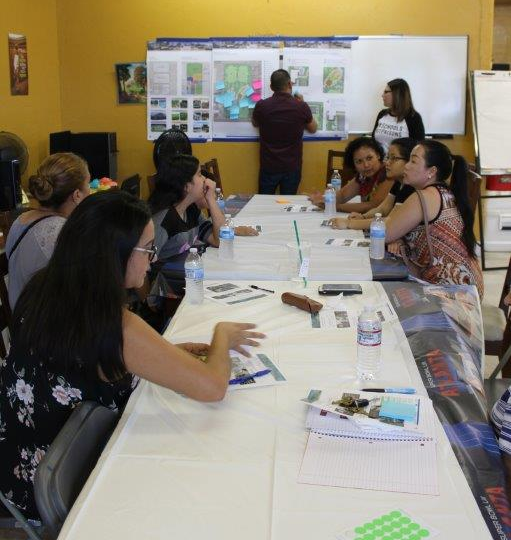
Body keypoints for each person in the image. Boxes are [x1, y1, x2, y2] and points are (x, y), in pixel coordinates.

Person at [0, 190, 265, 520]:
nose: (153, 258)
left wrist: (165, 355)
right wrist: (222, 336)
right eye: (148, 249)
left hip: (19, 460)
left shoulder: (46, 287)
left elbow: (85, 363)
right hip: (60, 481)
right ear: (114, 253)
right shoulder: (112, 323)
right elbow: (212, 388)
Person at [384, 140, 483, 296]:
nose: (407, 166)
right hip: (469, 287)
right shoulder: (444, 193)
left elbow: (384, 233)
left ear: (431, 171)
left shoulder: (423, 197)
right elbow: (394, 229)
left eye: (413, 161)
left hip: (453, 294)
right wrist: (399, 237)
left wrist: (394, 235)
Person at [6, 152, 90, 309]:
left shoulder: (20, 220)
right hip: (45, 328)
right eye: (89, 186)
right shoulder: (62, 233)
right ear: (77, 195)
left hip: (21, 321)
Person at [252, 69, 317, 195]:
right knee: (288, 205)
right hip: (292, 167)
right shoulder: (301, 106)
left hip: (268, 166)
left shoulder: (262, 106)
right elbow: (313, 129)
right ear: (289, 84)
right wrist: (302, 102)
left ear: (271, 87)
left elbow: (255, 123)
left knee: (263, 204)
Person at [329, 138, 416, 230]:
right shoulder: (398, 183)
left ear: (409, 161)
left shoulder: (409, 187)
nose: (387, 162)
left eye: (394, 158)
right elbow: (382, 209)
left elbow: (391, 221)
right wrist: (363, 217)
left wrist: (349, 223)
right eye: (388, 157)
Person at [148, 154, 224, 260]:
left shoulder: (191, 209)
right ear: (186, 186)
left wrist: (211, 199)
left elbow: (220, 240)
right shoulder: (163, 222)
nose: (205, 179)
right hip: (167, 275)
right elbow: (145, 263)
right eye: (199, 174)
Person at [309, 137, 388, 214]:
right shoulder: (362, 176)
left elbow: (373, 206)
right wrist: (323, 199)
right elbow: (343, 195)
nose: (366, 165)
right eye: (359, 161)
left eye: (369, 158)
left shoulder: (388, 172)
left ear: (378, 155)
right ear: (353, 164)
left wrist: (334, 206)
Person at [372, 78, 425, 155]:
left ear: (398, 94)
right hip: (379, 163)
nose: (382, 95)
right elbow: (373, 141)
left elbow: (418, 148)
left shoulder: (413, 117)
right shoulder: (382, 114)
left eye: (386, 92)